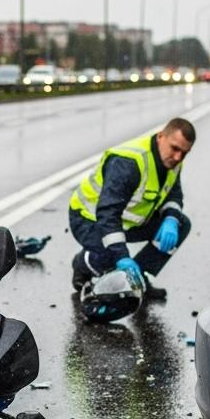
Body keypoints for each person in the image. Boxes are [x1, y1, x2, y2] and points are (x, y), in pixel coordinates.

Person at [68, 118, 195, 300]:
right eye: (174, 148)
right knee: (112, 258)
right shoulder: (128, 163)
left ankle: (137, 279)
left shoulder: (172, 162)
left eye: (184, 153)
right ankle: (83, 264)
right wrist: (121, 256)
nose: (178, 157)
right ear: (161, 136)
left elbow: (173, 194)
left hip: (126, 222)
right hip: (89, 219)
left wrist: (171, 219)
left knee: (182, 224)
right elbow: (108, 213)